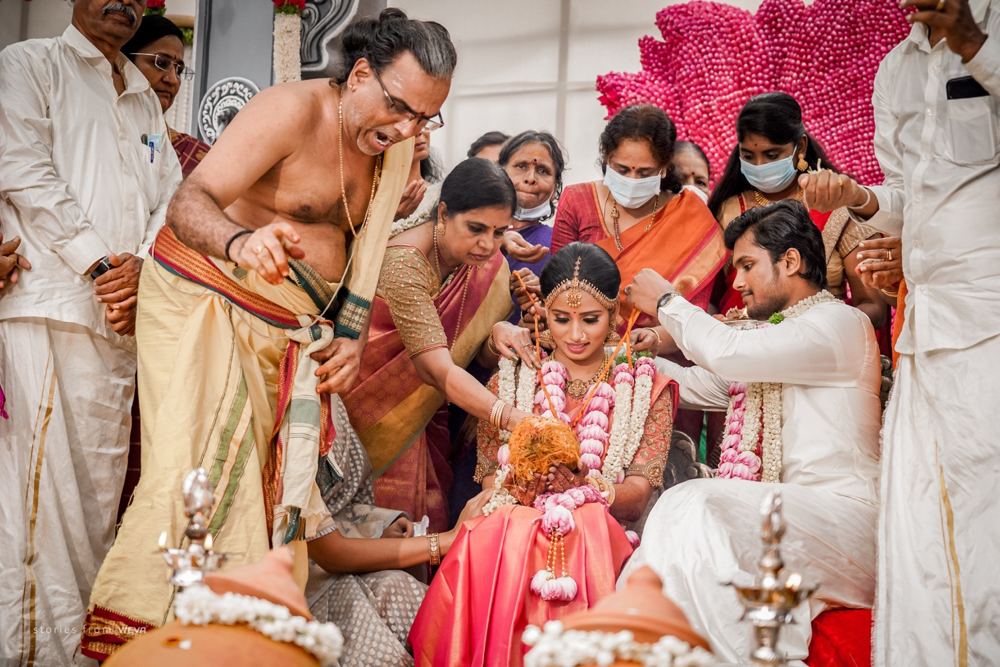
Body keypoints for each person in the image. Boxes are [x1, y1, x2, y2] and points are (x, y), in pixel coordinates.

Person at [81, 8, 456, 656]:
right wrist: (242, 240)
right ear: (360, 74)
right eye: (400, 108)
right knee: (195, 486)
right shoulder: (292, 112)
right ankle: (150, 646)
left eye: (425, 118)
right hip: (208, 303)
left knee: (263, 501)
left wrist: (349, 333)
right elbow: (189, 202)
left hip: (286, 327)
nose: (408, 129)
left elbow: (358, 252)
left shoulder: (390, 149)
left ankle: (234, 641)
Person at [798, 0, 1000, 661]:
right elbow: (911, 195)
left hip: (991, 322)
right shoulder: (897, 68)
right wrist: (858, 201)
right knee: (920, 528)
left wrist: (973, 43)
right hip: (928, 332)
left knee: (987, 520)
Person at [0, 0, 183, 662]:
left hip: (119, 330)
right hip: (51, 314)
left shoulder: (140, 99)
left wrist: (142, 268)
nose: (127, 2)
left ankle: (74, 652)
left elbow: (173, 199)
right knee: (39, 516)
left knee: (91, 517)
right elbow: (24, 173)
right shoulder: (28, 65)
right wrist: (101, 262)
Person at [621, 200, 881, 663]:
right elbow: (703, 382)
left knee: (694, 500)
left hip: (848, 526)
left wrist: (666, 303)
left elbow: (726, 352)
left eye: (746, 265)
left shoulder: (841, 324)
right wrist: (617, 362)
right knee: (653, 563)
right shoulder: (777, 335)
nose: (736, 283)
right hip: (788, 524)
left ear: (791, 261)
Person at [409, 242, 677, 667]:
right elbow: (491, 482)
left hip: (599, 528)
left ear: (614, 315)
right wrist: (520, 487)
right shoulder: (510, 380)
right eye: (561, 318)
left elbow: (638, 495)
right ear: (541, 314)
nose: (575, 334)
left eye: (590, 320)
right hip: (512, 521)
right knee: (499, 526)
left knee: (583, 522)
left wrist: (585, 488)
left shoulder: (646, 388)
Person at [343, 158, 536, 533]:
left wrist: (498, 335)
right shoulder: (404, 263)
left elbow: (472, 353)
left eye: (499, 232)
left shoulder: (485, 262)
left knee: (432, 522)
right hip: (376, 414)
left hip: (431, 418)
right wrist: (517, 420)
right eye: (476, 228)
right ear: (444, 213)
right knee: (384, 531)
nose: (487, 244)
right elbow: (437, 369)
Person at [707, 93, 887, 330]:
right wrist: (714, 328)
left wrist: (808, 328)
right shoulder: (726, 210)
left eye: (772, 155)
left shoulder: (839, 205)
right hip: (743, 348)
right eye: (749, 156)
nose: (760, 166)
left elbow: (873, 306)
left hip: (821, 345)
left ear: (800, 147)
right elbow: (710, 300)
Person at [549, 105, 727, 343]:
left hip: (660, 357)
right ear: (607, 160)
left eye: (644, 173)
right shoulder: (577, 200)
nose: (632, 180)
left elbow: (691, 318)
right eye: (621, 169)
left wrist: (652, 338)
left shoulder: (693, 218)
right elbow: (555, 290)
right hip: (578, 345)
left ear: (664, 168)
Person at [122, 14, 209, 177]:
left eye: (179, 71)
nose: (173, 80)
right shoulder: (95, 131)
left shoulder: (194, 156)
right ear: (125, 62)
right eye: (161, 63)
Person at [498, 131, 566, 321]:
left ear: (555, 188)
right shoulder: (470, 233)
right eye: (520, 166)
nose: (530, 178)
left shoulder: (560, 244)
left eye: (543, 170)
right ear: (499, 172)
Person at [393, 129, 443, 228]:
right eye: (406, 125)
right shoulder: (369, 197)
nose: (418, 132)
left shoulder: (442, 194)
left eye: (423, 123)